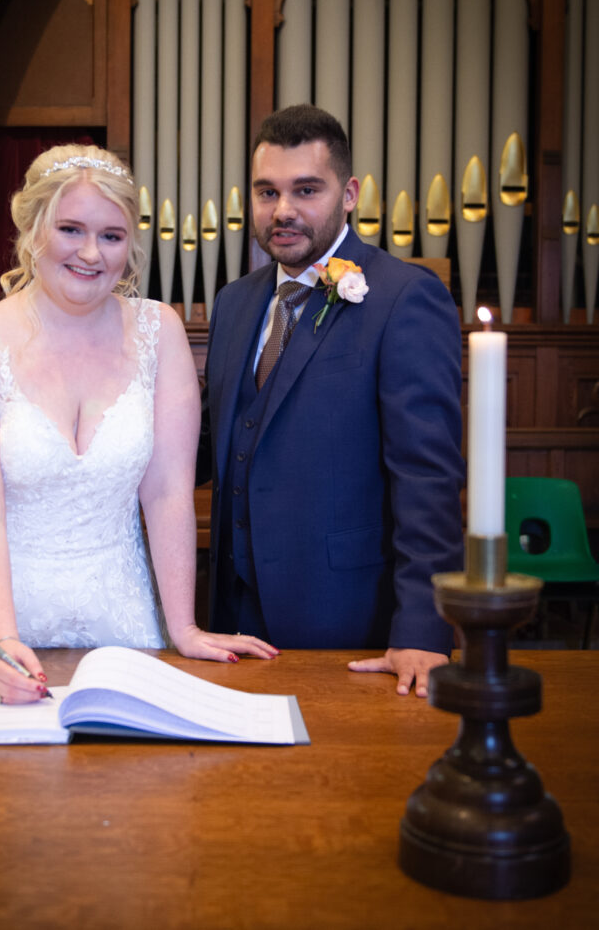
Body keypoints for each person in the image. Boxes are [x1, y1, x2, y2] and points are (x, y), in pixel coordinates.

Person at [0, 144, 277, 703]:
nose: (91, 253)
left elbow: (167, 492)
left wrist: (184, 627)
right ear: (32, 228)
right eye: (70, 229)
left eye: (112, 236)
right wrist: (1, 642)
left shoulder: (159, 332)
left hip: (116, 610)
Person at [197, 105, 465, 696]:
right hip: (233, 619)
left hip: (346, 618)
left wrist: (425, 629)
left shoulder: (404, 297)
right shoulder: (234, 303)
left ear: (348, 195)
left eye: (306, 190)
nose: (283, 210)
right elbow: (212, 443)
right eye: (267, 192)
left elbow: (427, 478)